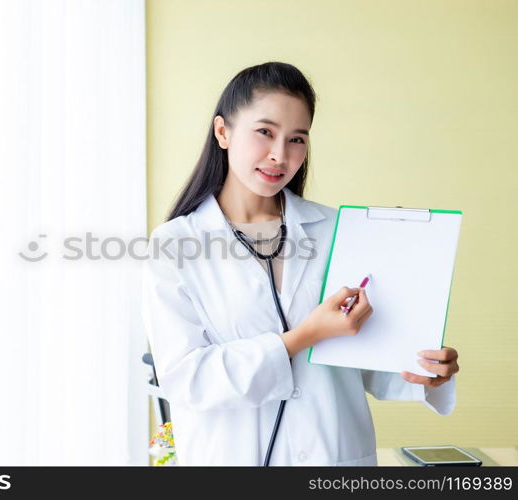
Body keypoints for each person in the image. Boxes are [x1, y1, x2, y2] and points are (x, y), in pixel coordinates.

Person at [140, 62, 460, 466]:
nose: (279, 155)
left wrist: (423, 367)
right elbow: (188, 379)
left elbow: (367, 360)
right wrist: (303, 336)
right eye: (264, 132)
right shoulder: (175, 245)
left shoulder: (338, 230)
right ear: (223, 132)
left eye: (297, 139)